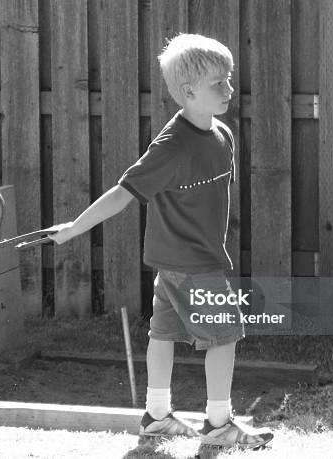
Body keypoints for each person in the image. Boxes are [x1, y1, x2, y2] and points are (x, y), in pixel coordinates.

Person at [48, 33, 273, 449]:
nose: (228, 89)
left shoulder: (222, 134)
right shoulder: (170, 148)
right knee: (225, 337)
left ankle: (155, 416)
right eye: (217, 84)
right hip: (194, 265)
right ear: (188, 92)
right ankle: (220, 423)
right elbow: (122, 193)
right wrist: (74, 229)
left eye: (228, 79)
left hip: (175, 264)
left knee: (162, 334)